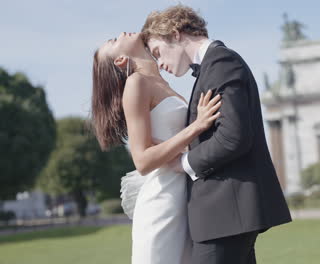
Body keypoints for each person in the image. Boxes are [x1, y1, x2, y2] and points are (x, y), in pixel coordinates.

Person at [141, 5, 292, 264]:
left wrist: (183, 163)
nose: (161, 64)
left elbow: (234, 137)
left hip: (226, 214)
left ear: (175, 34)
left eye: (158, 52)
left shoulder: (221, 62)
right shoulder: (212, 67)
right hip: (226, 216)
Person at [91, 31, 222, 264]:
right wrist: (198, 126)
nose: (121, 33)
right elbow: (141, 161)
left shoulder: (162, 82)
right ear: (121, 60)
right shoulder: (136, 83)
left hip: (185, 198)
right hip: (162, 201)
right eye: (114, 40)